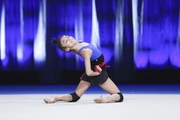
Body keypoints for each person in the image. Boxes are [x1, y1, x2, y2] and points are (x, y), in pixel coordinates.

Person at [44, 35, 124, 103]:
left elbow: (75, 47)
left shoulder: (79, 43)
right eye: (66, 41)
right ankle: (106, 99)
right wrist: (97, 73)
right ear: (67, 49)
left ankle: (55, 98)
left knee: (75, 96)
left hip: (96, 68)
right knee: (119, 96)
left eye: (68, 37)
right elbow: (89, 72)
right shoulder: (85, 51)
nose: (69, 39)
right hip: (97, 71)